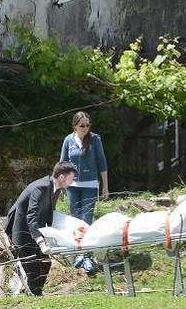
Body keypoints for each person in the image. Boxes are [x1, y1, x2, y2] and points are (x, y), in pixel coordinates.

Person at [4, 161, 78, 296]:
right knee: (32, 268)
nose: (72, 182)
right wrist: (40, 240)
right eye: (71, 178)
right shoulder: (42, 187)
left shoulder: (55, 189)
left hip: (35, 229)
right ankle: (34, 296)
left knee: (45, 262)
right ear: (62, 177)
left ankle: (35, 294)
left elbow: (49, 213)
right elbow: (31, 215)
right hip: (21, 229)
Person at [59, 111, 108, 273]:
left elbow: (102, 163)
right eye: (82, 125)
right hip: (72, 186)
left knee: (86, 219)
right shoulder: (68, 140)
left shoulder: (95, 139)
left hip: (90, 185)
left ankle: (86, 254)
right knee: (75, 219)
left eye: (87, 125)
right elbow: (63, 163)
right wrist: (59, 187)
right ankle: (78, 253)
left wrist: (105, 186)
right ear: (75, 126)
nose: (85, 128)